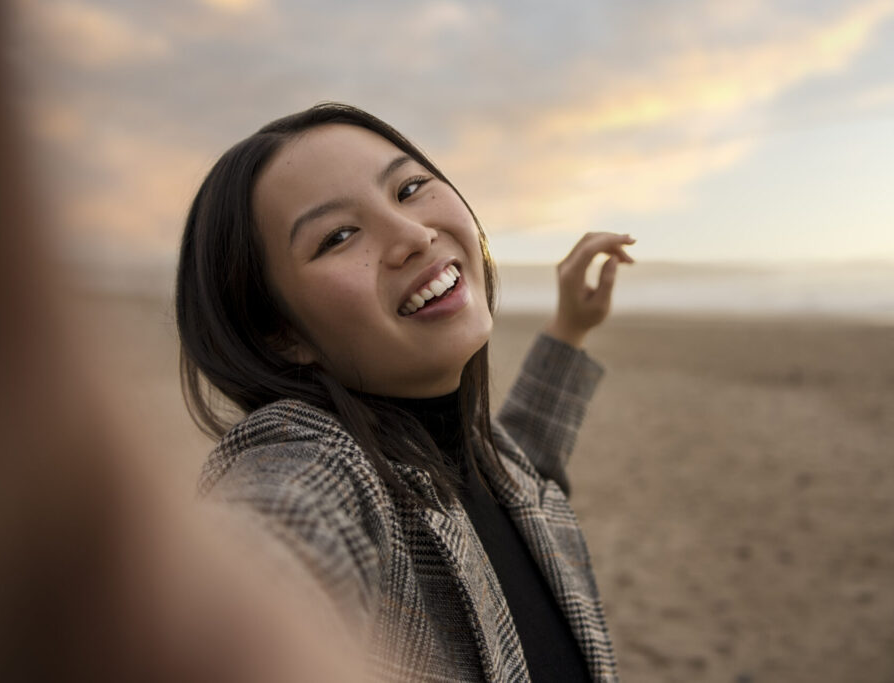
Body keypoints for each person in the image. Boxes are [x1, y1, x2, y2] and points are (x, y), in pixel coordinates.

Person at [175, 103, 634, 682]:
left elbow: (525, 460)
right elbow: (258, 561)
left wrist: (570, 327)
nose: (414, 235)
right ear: (281, 334)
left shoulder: (489, 463)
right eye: (338, 236)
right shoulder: (316, 466)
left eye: (410, 188)